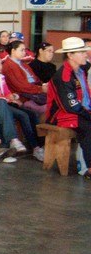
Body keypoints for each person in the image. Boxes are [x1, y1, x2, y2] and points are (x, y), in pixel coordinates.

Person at [0, 54, 44, 161]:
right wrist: (8, 98)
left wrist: (13, 96)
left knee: (32, 114)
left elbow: (6, 92)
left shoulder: (1, 77)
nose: (0, 66)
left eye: (0, 64)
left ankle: (39, 144)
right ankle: (34, 147)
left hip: (7, 103)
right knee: (23, 115)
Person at [46, 37, 91, 179]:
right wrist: (89, 114)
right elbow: (71, 106)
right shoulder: (63, 76)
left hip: (79, 110)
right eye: (82, 52)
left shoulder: (81, 68)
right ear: (70, 55)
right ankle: (88, 168)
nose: (86, 54)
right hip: (61, 114)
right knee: (88, 127)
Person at [2, 40, 47, 115]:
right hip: (23, 94)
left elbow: (35, 78)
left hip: (33, 88)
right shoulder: (9, 66)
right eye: (22, 50)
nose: (25, 52)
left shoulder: (22, 63)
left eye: (25, 50)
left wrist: (43, 86)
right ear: (13, 51)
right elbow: (21, 86)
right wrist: (41, 89)